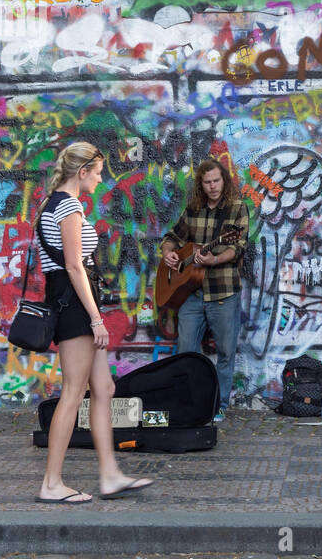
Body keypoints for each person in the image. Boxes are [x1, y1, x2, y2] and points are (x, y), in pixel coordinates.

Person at [36, 142, 153, 503]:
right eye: (98, 172)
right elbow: (73, 266)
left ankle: (110, 475)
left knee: (103, 389)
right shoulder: (68, 205)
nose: (102, 179)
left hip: (76, 304)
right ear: (82, 172)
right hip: (76, 308)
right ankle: (52, 483)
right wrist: (96, 318)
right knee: (73, 392)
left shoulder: (51, 203)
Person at [160, 159, 250, 418]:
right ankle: (190, 402)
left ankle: (219, 405)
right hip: (191, 294)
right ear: (201, 184)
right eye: (207, 182)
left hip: (223, 293)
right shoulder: (194, 209)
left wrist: (215, 259)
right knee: (186, 350)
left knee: (224, 352)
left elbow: (238, 247)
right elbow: (172, 237)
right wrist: (169, 254)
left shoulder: (236, 209)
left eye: (216, 181)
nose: (212, 187)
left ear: (224, 180)